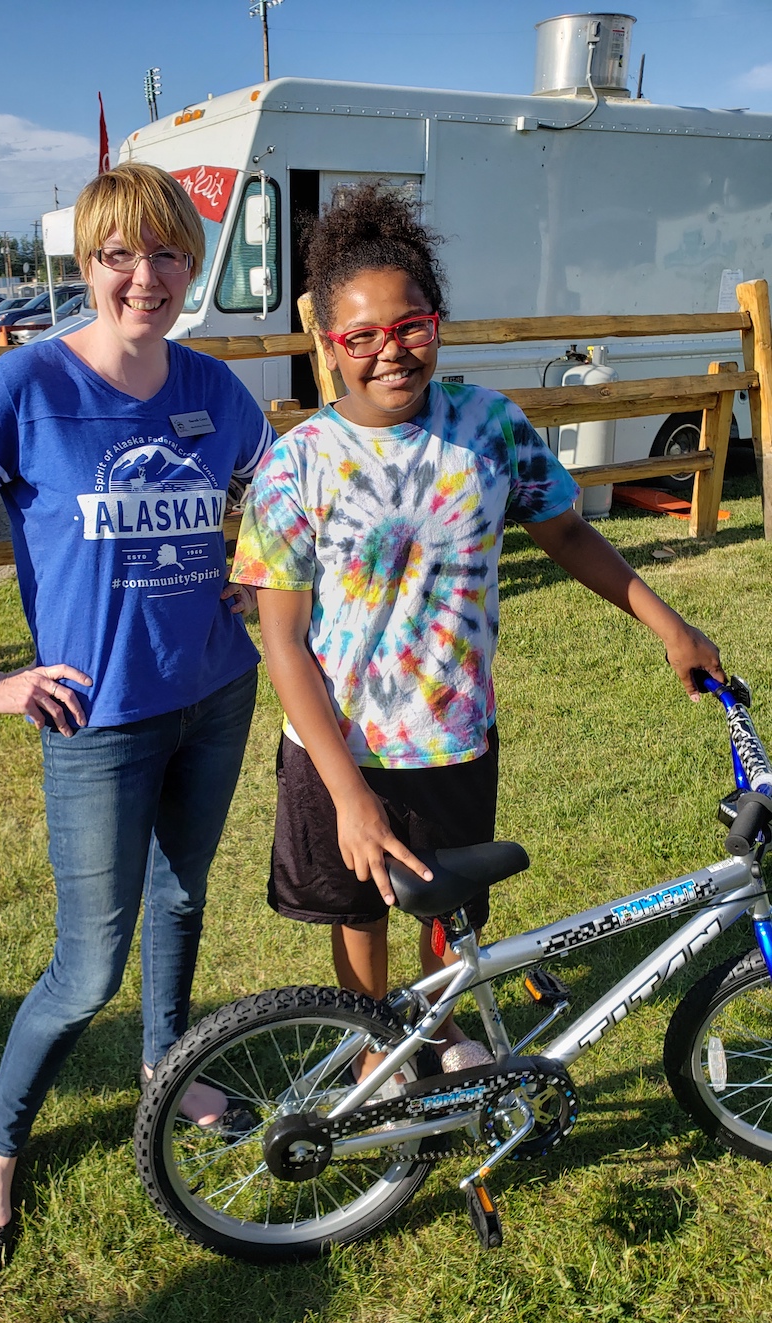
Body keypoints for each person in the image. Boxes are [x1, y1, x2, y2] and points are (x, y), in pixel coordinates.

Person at [231, 183, 724, 1081]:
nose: (390, 350)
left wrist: (670, 625)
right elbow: (284, 643)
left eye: (410, 325)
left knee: (447, 911)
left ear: (438, 323)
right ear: (330, 346)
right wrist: (348, 793)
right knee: (360, 911)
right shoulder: (295, 465)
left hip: (452, 735)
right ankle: (376, 1047)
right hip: (337, 746)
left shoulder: (491, 428)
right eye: (362, 336)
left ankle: (440, 1030)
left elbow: (568, 533)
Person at [0, 162, 273, 1272]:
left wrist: (253, 570)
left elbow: (282, 492)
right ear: (87, 265)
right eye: (118, 255)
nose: (144, 277)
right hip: (97, 722)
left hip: (216, 694)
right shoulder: (27, 384)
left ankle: (167, 1069)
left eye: (166, 254)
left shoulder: (215, 387)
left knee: (182, 895)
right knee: (86, 968)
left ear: (191, 266)